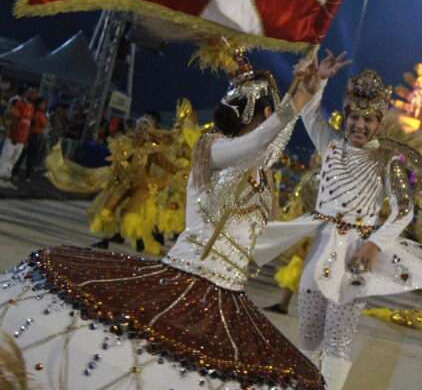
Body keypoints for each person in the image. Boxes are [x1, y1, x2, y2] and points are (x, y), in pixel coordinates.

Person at [0, 52, 324, 389]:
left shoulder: (263, 176)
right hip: (187, 277)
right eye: (272, 115)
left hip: (228, 296)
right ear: (267, 114)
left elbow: (267, 147)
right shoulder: (210, 148)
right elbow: (259, 141)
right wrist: (297, 98)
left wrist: (312, 89)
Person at [253, 52, 422, 390]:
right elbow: (309, 114)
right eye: (355, 117)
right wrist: (322, 80)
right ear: (346, 116)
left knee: (338, 341)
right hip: (319, 250)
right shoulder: (331, 145)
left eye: (369, 120)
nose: (360, 125)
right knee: (309, 336)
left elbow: (404, 210)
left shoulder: (387, 162)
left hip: (356, 259)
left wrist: (373, 245)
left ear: (379, 122)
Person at [0, 87, 36, 189]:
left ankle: (6, 178)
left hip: (22, 138)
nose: (33, 96)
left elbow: (28, 124)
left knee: (14, 159)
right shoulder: (20, 104)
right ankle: (0, 177)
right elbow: (14, 120)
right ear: (27, 94)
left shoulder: (32, 107)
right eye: (31, 93)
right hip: (13, 137)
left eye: (35, 94)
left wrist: (25, 140)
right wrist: (14, 135)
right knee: (6, 157)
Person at [16, 97, 49, 182]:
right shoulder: (38, 113)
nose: (44, 106)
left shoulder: (36, 112)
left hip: (35, 136)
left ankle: (22, 174)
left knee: (27, 156)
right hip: (32, 136)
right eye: (42, 104)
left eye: (44, 104)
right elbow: (44, 124)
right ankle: (23, 175)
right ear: (38, 105)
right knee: (26, 156)